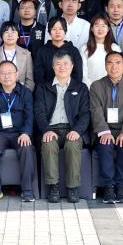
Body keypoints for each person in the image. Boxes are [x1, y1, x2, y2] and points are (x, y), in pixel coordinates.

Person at [34, 51, 90, 204]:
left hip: (72, 129)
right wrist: (46, 130)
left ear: (72, 66)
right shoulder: (43, 87)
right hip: (51, 129)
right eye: (58, 64)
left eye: (65, 63)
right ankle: (54, 187)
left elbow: (85, 114)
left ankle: (73, 188)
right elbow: (39, 112)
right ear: (53, 67)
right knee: (48, 144)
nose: (62, 67)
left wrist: (77, 130)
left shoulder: (81, 88)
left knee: (72, 145)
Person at [90, 52, 123, 204]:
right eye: (110, 63)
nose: (114, 67)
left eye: (118, 63)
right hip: (104, 130)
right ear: (105, 66)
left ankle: (122, 186)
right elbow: (96, 111)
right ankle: (109, 187)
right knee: (105, 145)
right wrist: (104, 132)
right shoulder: (96, 86)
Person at [0, 60, 36, 202]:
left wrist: (26, 132)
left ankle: (27, 190)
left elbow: (30, 115)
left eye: (10, 73)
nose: (6, 76)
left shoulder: (25, 92)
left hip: (19, 133)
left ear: (17, 74)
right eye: (3, 73)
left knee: (26, 147)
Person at [0, 22, 35, 91]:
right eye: (6, 32)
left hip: (21, 94)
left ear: (18, 35)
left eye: (13, 32)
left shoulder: (26, 54)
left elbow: (30, 80)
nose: (10, 35)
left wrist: (24, 94)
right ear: (2, 35)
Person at [34, 17, 84, 86]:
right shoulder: (42, 51)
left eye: (61, 29)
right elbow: (39, 77)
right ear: (49, 32)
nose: (57, 32)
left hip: (70, 90)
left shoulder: (73, 51)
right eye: (54, 29)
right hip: (47, 90)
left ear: (65, 31)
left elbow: (78, 75)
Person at [81, 16, 121, 85]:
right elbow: (83, 73)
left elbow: (119, 70)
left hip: (111, 87)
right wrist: (92, 88)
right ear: (92, 28)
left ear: (108, 29)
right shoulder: (84, 48)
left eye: (103, 26)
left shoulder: (115, 48)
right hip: (90, 88)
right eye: (97, 26)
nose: (100, 29)